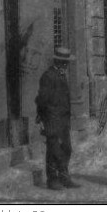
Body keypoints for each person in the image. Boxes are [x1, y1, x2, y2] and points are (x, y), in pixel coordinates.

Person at [35, 47, 80, 190]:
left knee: (66, 149)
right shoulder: (48, 76)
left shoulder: (61, 74)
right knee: (54, 149)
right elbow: (42, 100)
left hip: (63, 119)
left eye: (66, 62)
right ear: (57, 61)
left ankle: (64, 177)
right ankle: (52, 180)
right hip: (52, 119)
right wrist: (42, 118)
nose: (66, 65)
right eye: (63, 62)